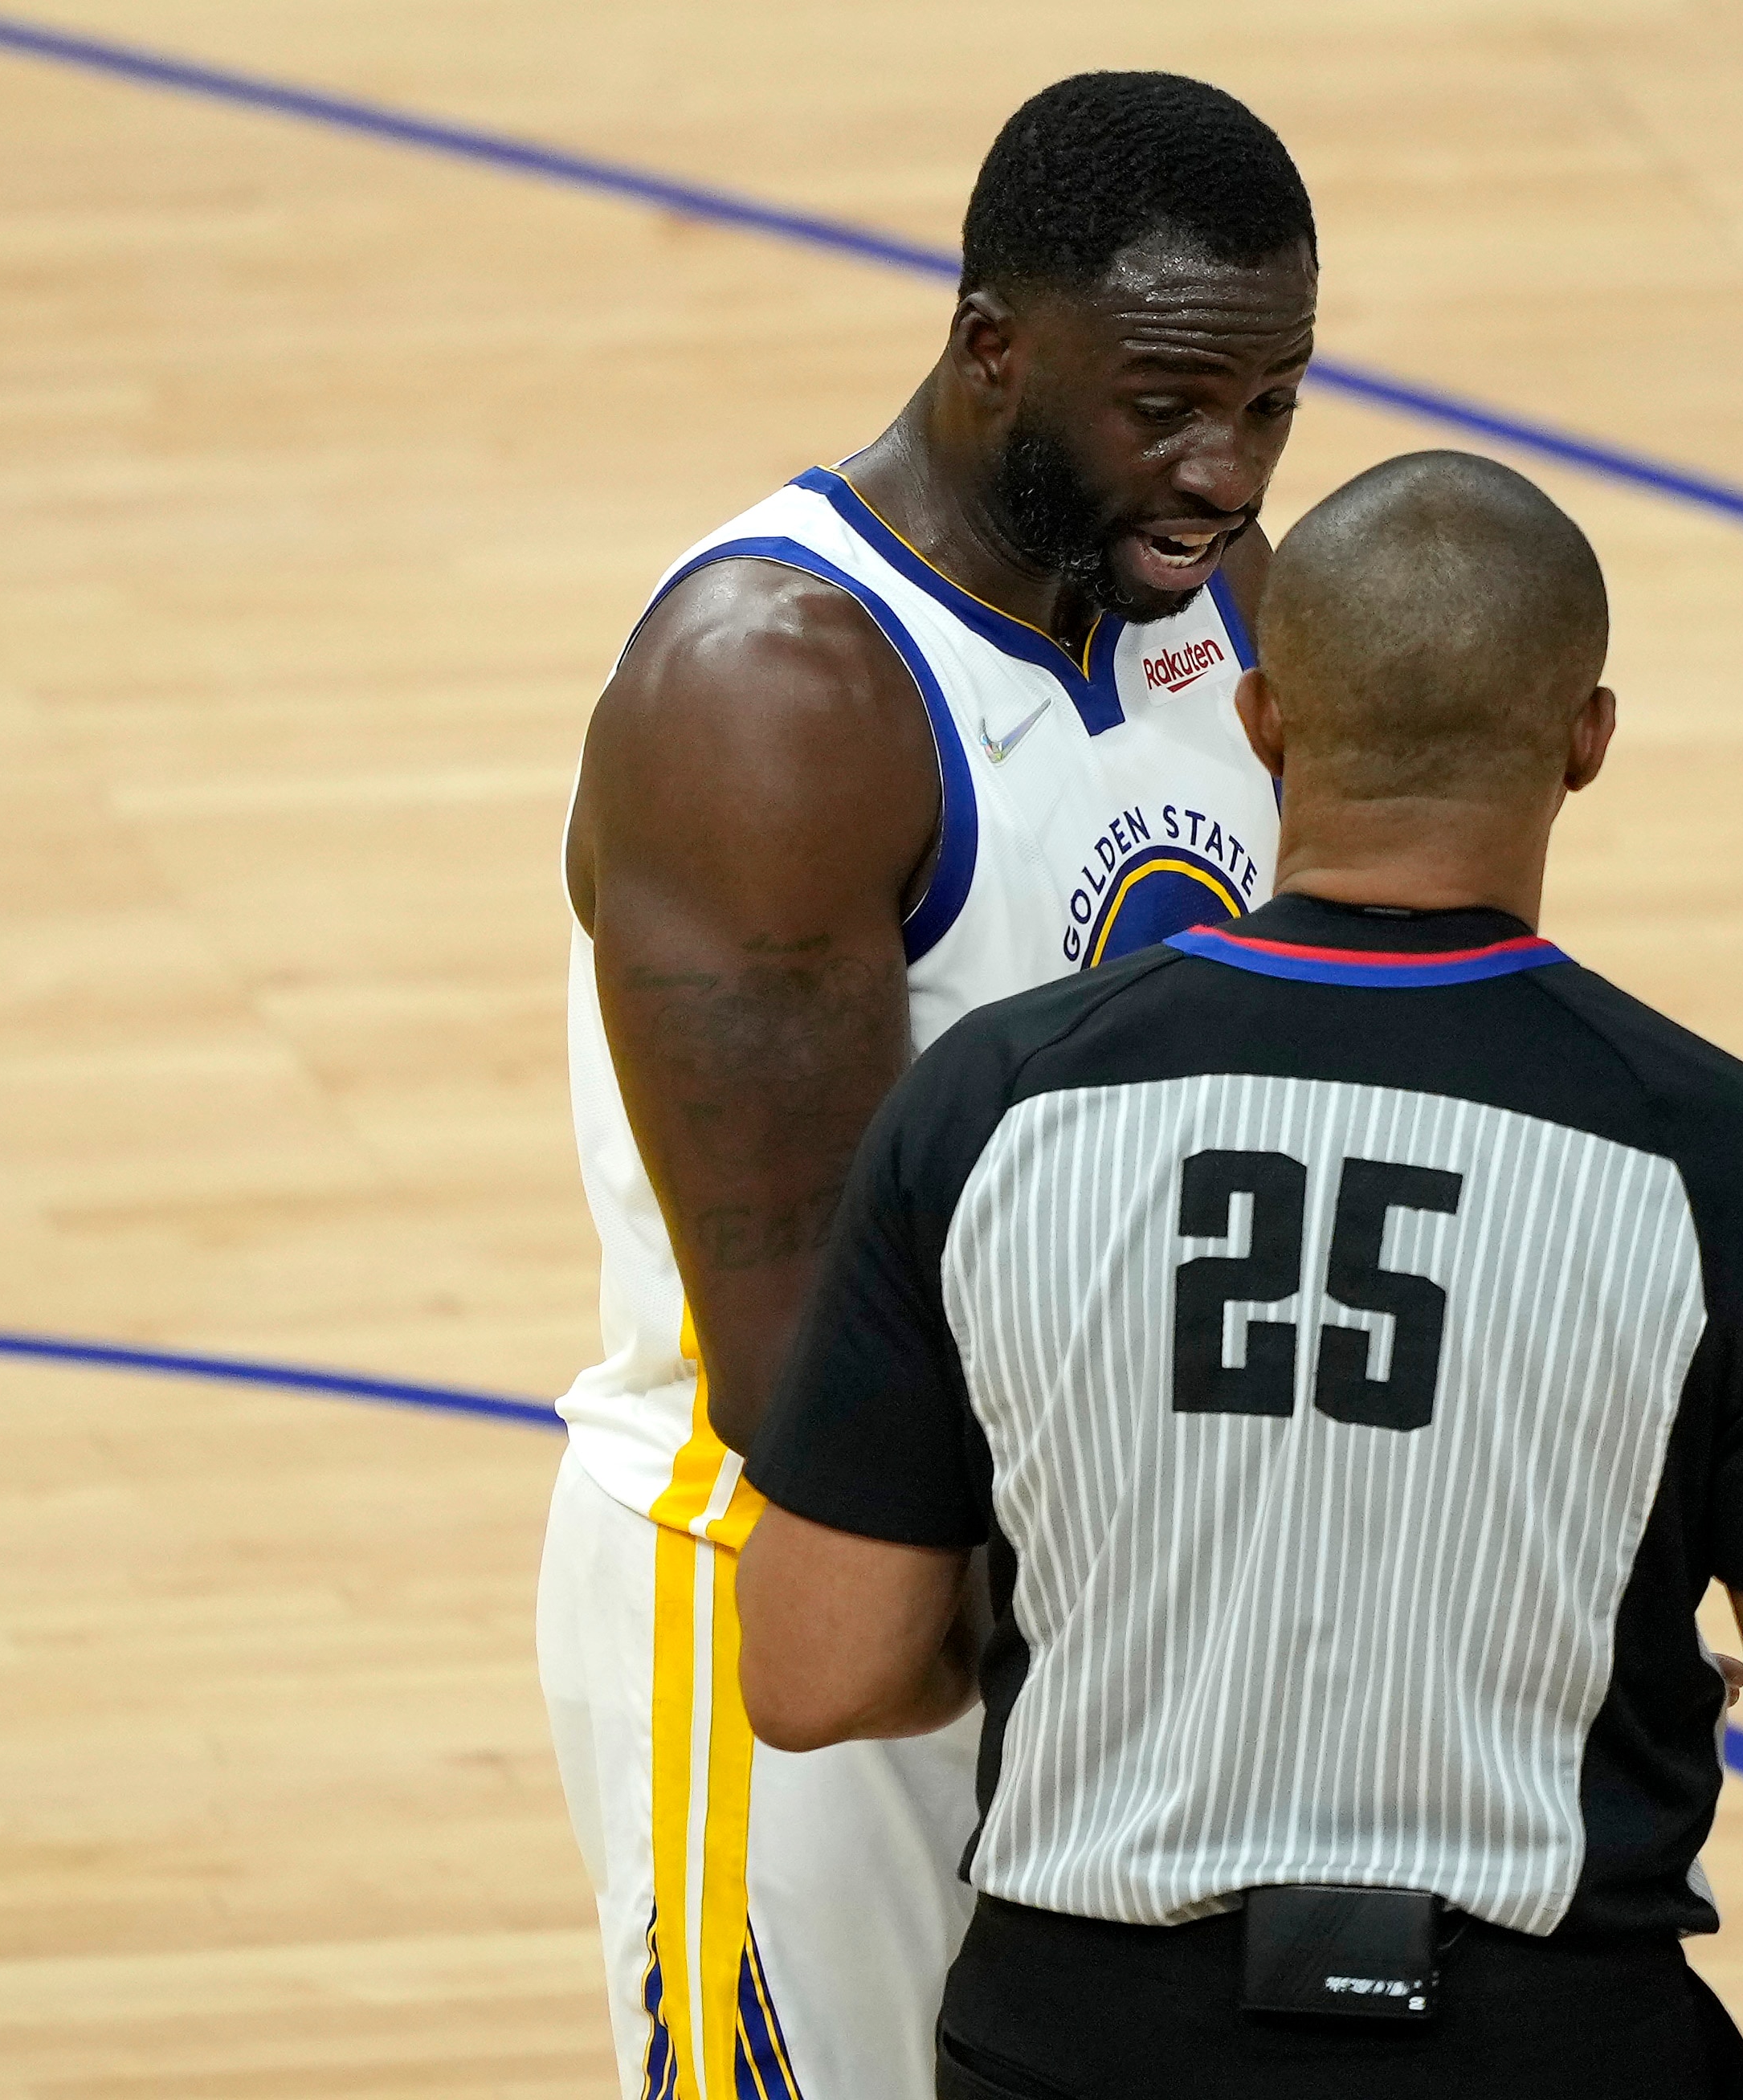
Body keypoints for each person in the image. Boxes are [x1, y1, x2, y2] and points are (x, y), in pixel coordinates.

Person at [736, 451, 1743, 2100]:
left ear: (1262, 720)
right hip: (1546, 2047)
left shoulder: (990, 1107)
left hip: (1083, 2043)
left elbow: (817, 1671)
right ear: (1586, 740)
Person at [539, 72, 1315, 2100]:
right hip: (809, 1609)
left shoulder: (1215, 610)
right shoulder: (775, 692)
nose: (1225, 471)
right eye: (1165, 405)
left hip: (1106, 1582)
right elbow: (809, 1387)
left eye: (1271, 406)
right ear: (992, 346)